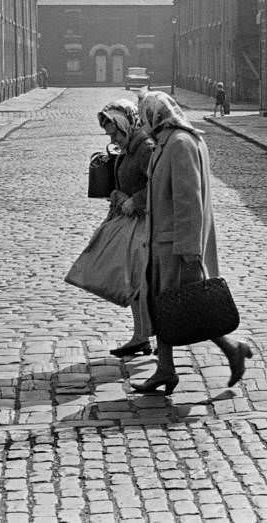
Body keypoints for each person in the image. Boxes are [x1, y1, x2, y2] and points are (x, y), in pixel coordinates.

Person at [132, 90, 252, 395]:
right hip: (162, 240)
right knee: (167, 307)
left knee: (183, 307)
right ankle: (166, 368)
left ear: (154, 115)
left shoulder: (180, 144)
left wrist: (189, 251)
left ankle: (230, 349)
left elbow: (189, 201)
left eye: (144, 114)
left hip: (174, 244)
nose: (142, 121)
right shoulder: (168, 142)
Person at [97, 100, 157, 357]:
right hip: (132, 222)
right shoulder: (129, 147)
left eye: (115, 133)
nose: (113, 139)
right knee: (134, 281)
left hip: (146, 225)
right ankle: (141, 335)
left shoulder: (144, 148)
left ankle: (147, 336)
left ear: (128, 124)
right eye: (110, 134)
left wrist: (136, 201)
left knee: (141, 282)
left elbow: (160, 185)